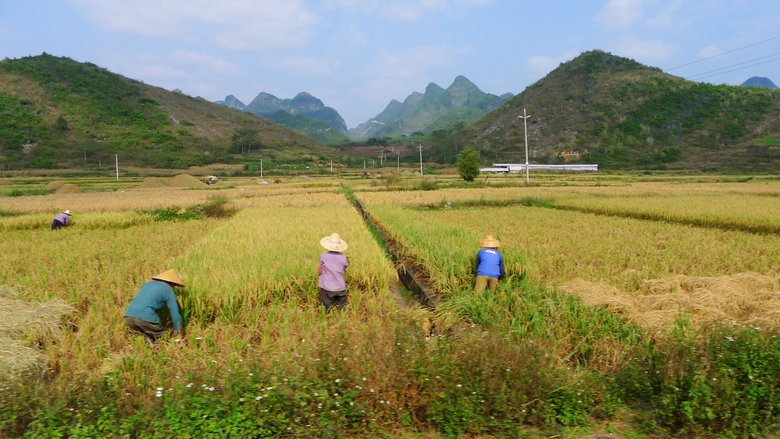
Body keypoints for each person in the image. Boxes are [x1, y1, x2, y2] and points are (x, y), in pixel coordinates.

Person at [124, 269, 185, 346]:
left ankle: (151, 353)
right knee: (164, 340)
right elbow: (175, 315)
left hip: (129, 316)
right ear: (172, 283)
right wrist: (179, 334)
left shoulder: (147, 284)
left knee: (148, 341)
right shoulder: (168, 289)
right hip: (146, 317)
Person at [317, 233, 349, 311]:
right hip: (340, 287)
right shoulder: (344, 258)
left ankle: (327, 320)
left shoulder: (323, 256)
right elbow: (344, 267)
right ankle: (342, 320)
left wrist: (319, 273)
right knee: (342, 309)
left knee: (326, 309)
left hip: (327, 287)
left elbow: (320, 270)